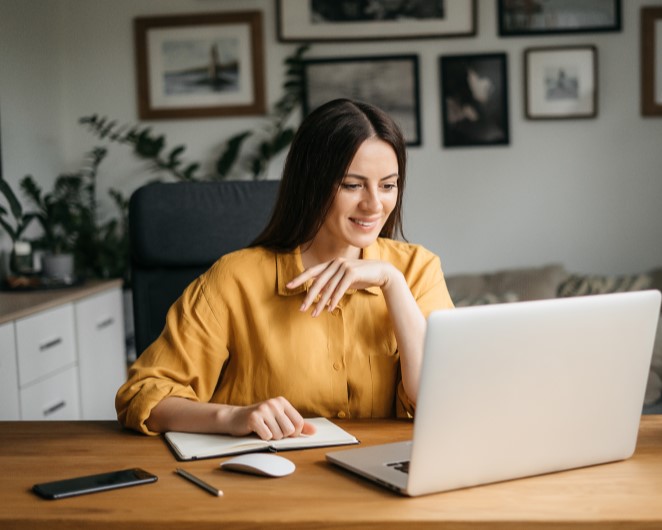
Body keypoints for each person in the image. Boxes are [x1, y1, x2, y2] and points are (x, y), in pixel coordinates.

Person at [116, 98, 454, 440]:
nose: (373, 204)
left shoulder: (417, 270)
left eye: (388, 185)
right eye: (352, 185)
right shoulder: (236, 278)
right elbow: (144, 394)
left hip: (383, 476)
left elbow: (445, 400)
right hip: (269, 480)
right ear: (311, 183)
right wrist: (233, 417)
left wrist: (392, 282)